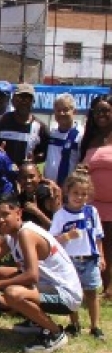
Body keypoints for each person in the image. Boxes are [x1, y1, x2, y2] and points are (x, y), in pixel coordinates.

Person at [0, 194, 83, 353]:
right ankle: (36, 321)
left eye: (5, 214)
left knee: (12, 293)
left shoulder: (26, 234)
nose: (0, 220)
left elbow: (32, 276)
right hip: (50, 287)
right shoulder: (11, 236)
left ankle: (55, 334)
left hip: (67, 296)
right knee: (0, 272)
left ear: (18, 213)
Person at [50, 169, 105, 340]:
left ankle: (95, 326)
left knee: (92, 293)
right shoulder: (60, 215)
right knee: (72, 294)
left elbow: (98, 236)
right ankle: (74, 324)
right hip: (69, 261)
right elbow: (52, 240)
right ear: (67, 191)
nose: (79, 197)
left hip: (89, 259)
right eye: (75, 193)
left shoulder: (91, 212)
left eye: (83, 194)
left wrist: (101, 256)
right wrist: (67, 236)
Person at [80, 93, 112, 298]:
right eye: (97, 111)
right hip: (94, 204)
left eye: (106, 110)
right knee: (98, 245)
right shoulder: (90, 138)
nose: (101, 114)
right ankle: (103, 285)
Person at [0, 83, 49, 167]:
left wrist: (34, 159)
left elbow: (44, 152)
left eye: (28, 99)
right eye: (20, 98)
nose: (24, 102)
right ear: (13, 101)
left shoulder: (41, 127)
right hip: (2, 173)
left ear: (33, 102)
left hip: (25, 174)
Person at [44, 94, 81, 187]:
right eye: (58, 110)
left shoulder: (80, 135)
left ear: (74, 111)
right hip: (49, 187)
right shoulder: (51, 133)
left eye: (65, 110)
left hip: (69, 189)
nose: (61, 113)